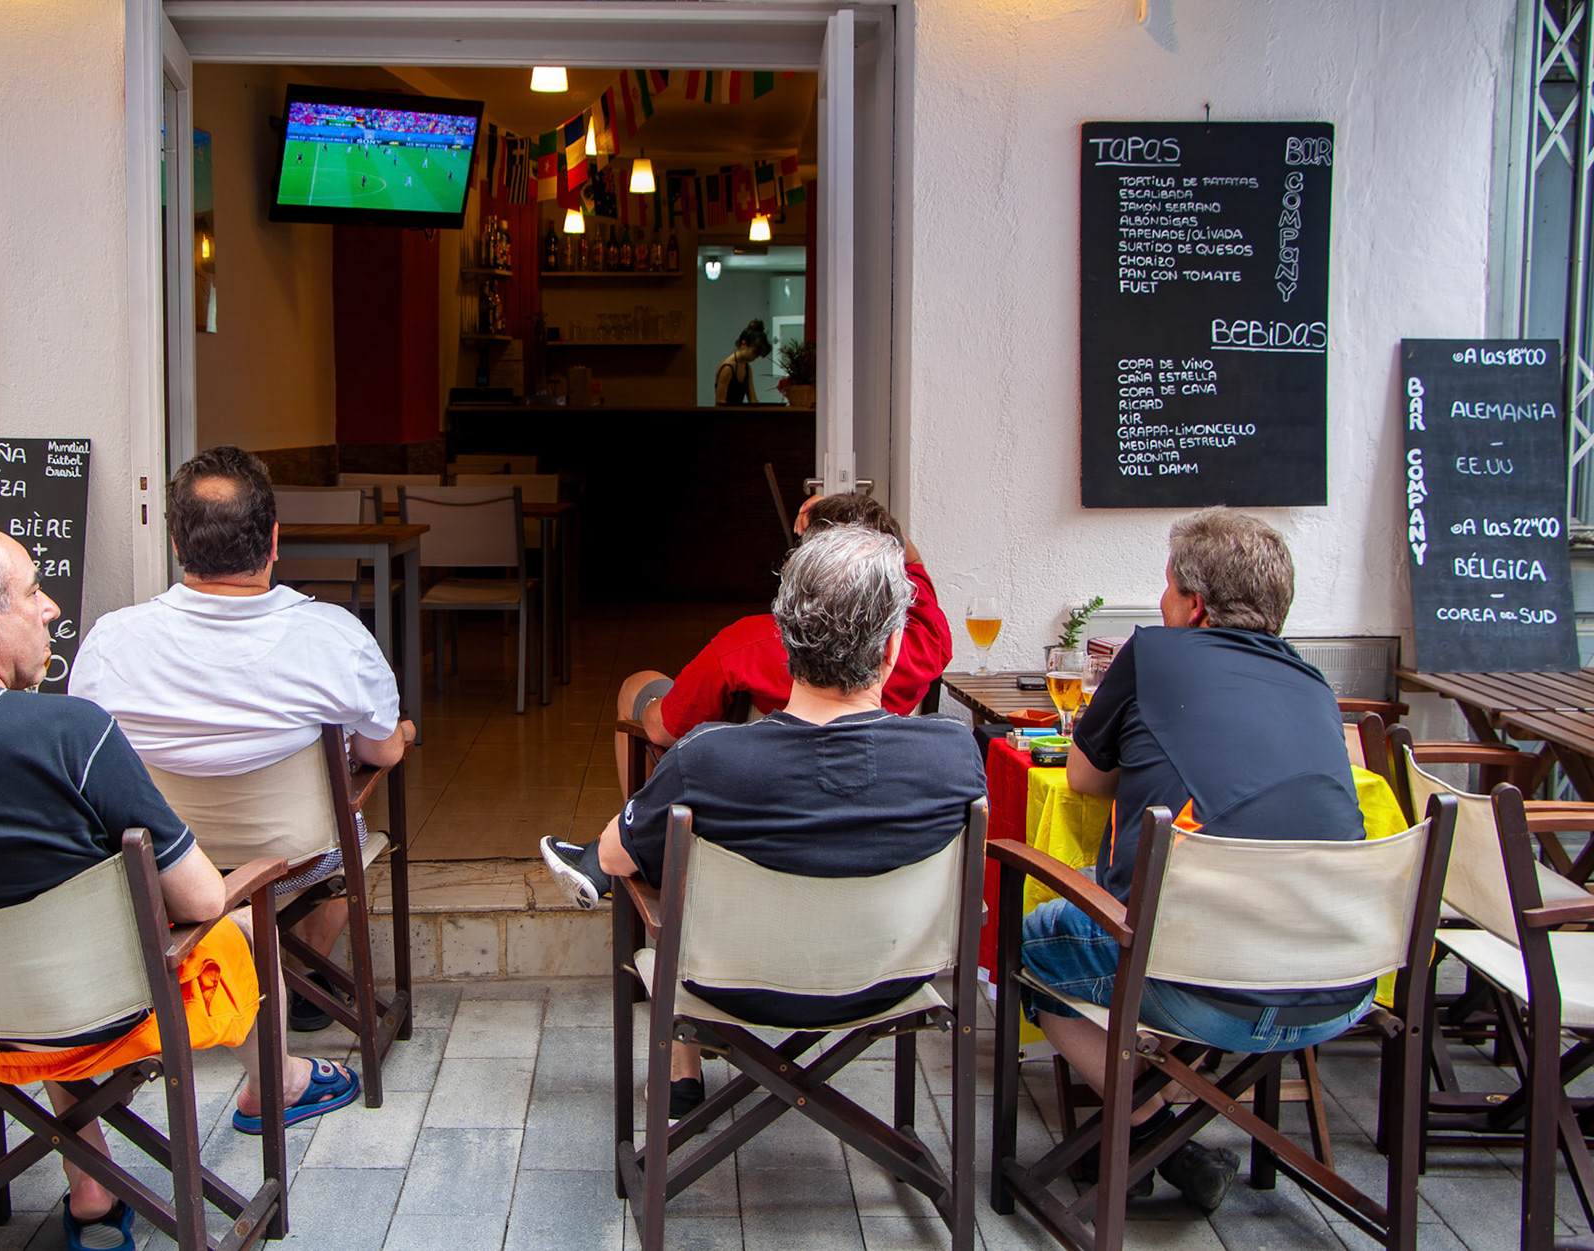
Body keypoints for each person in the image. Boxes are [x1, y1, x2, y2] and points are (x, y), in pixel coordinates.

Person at [0, 525, 357, 1251]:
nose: (52, 607)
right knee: (231, 924)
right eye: (33, 591)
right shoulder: (70, 732)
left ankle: (92, 1194)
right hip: (91, 1018)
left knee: (44, 944)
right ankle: (276, 1082)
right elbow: (199, 900)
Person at [541, 524, 985, 1116]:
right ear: (890, 649)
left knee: (659, 870)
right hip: (893, 984)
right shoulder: (954, 754)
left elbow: (620, 860)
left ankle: (681, 1072)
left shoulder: (707, 758)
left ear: (785, 638)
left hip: (732, 986)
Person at [1020, 506, 1370, 1212]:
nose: (1161, 601)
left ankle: (1158, 1134)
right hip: (1337, 983)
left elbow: (1085, 777)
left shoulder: (1151, 653)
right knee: (1164, 916)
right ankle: (1167, 1127)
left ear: (1196, 604)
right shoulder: (1314, 686)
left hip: (1201, 978)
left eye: (1169, 587)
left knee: (1030, 944)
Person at [70, 445, 416, 1034]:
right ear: (274, 541)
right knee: (347, 825)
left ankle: (216, 983)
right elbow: (378, 753)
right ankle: (302, 987)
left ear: (176, 544)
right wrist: (404, 731)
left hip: (167, 863)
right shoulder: (332, 636)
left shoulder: (112, 642)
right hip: (295, 856)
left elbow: (89, 764)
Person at [605, 492, 953, 794]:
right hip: (868, 792)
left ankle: (644, 843)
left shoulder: (749, 644)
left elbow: (663, 730)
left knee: (637, 687)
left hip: (754, 795)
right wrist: (868, 521)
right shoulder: (923, 636)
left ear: (805, 566)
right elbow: (912, 561)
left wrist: (651, 707)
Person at [713, 319, 771, 405]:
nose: (755, 357)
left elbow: (753, 400)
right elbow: (720, 403)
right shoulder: (727, 368)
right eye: (755, 352)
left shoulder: (747, 368)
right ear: (744, 344)